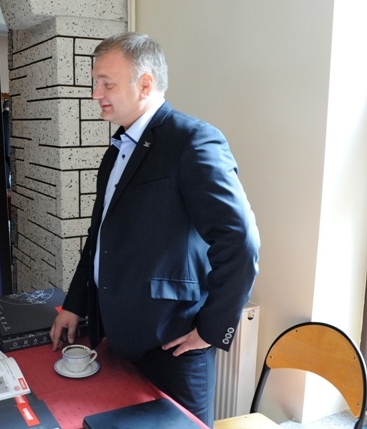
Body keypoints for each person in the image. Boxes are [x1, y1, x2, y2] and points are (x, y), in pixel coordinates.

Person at [49, 32, 260, 427]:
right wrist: (75, 304)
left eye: (106, 83)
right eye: (95, 82)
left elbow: (240, 240)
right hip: (118, 338)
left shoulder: (193, 141)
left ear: (145, 83)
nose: (96, 93)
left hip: (174, 347)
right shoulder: (117, 151)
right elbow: (99, 239)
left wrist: (212, 329)